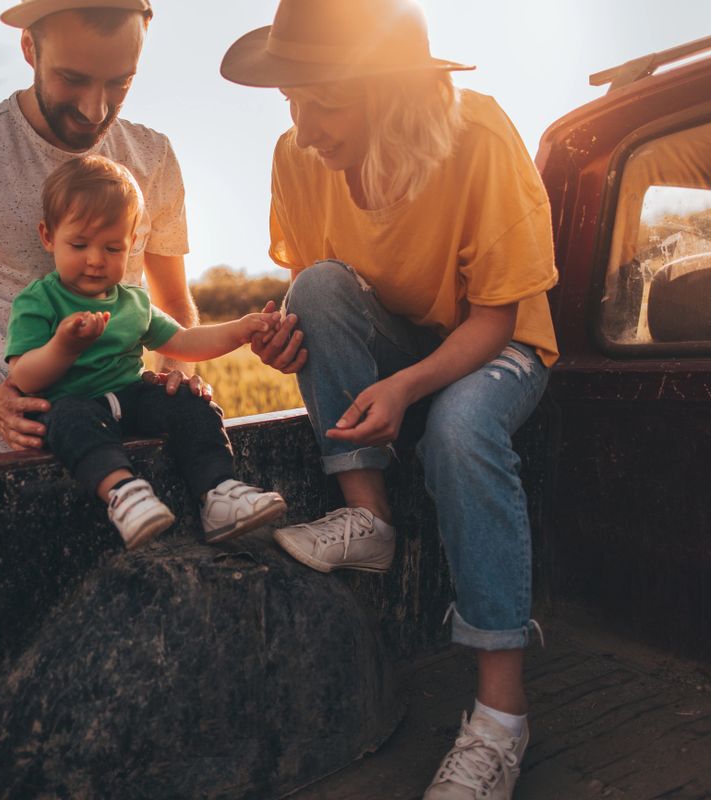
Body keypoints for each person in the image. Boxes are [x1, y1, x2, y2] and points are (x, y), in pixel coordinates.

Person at [220, 1, 559, 797]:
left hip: (496, 344)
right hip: (403, 339)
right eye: (290, 100)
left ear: (394, 94)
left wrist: (407, 387)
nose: (304, 128)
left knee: (458, 427)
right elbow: (329, 297)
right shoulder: (299, 156)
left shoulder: (478, 138)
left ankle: (501, 718)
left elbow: (494, 318)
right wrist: (287, 335)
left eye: (324, 102)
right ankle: (366, 516)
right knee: (314, 286)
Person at [0, 0, 203, 460]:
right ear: (30, 49)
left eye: (120, 82)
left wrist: (175, 372)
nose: (95, 110)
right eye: (73, 79)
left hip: (138, 455)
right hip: (3, 463)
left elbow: (171, 302)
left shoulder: (154, 155)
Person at [5, 154, 287, 549]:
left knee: (190, 401)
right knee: (68, 421)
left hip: (131, 398)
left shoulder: (132, 303)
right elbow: (24, 377)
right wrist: (63, 346)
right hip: (71, 402)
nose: (95, 260)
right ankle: (124, 495)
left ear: (132, 244)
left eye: (112, 248)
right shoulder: (40, 301)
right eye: (79, 244)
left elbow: (184, 342)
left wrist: (240, 330)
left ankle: (220, 493)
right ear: (48, 236)